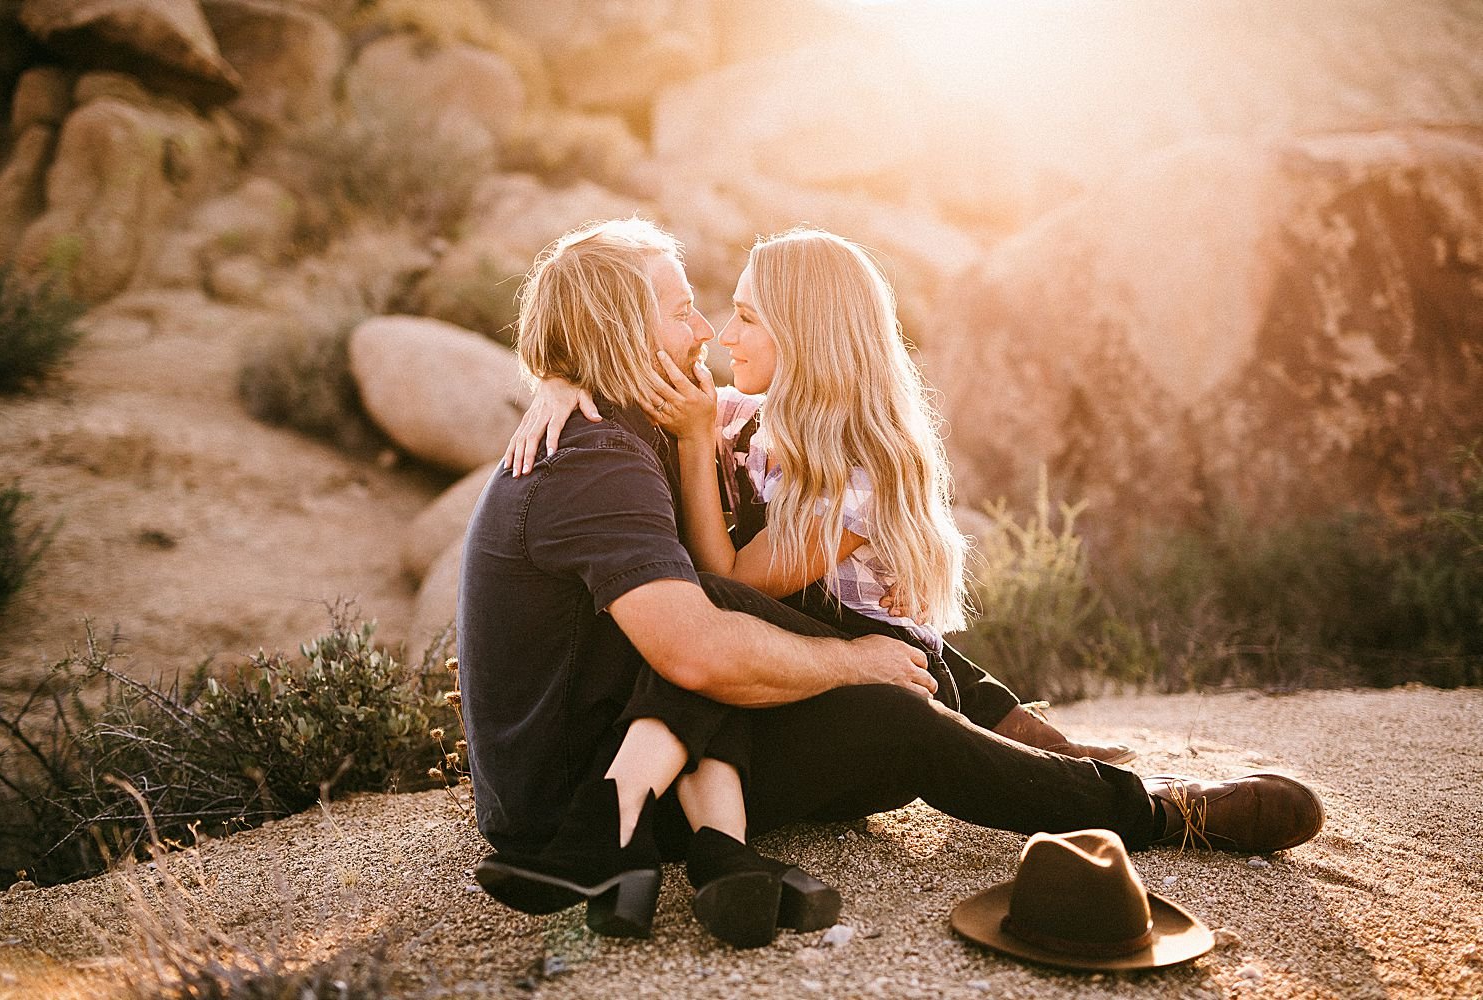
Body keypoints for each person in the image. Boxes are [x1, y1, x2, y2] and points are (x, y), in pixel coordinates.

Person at [459, 218, 1325, 950]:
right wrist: (857, 666)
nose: (705, 333)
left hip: (629, 731)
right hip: (566, 795)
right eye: (684, 310)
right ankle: (1162, 814)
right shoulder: (596, 462)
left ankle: (1037, 742)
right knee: (889, 703)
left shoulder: (646, 424)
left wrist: (564, 373)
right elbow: (701, 640)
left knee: (884, 642)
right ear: (622, 331)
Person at [508, 229, 1131, 764]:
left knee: (959, 719)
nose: (723, 336)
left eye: (748, 318)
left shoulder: (855, 472)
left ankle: (1077, 774)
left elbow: (731, 582)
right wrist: (558, 381)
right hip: (836, 640)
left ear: (806, 335)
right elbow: (623, 369)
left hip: (885, 662)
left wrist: (698, 447)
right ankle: (1045, 743)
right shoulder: (746, 417)